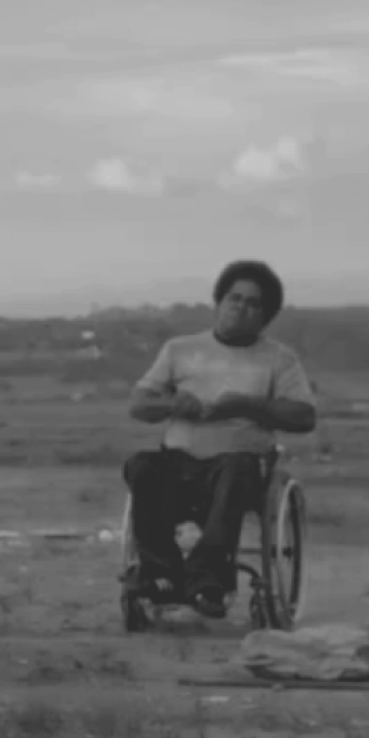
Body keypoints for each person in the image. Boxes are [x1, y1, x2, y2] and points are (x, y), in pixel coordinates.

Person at [124, 260, 318, 618]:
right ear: (219, 301)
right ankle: (160, 574)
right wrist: (173, 404)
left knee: (236, 470)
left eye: (253, 304)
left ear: (266, 316)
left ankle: (207, 578)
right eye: (235, 299)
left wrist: (248, 406)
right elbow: (139, 404)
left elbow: (304, 416)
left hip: (239, 465)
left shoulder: (279, 359)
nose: (240, 308)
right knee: (141, 467)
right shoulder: (179, 349)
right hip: (180, 461)